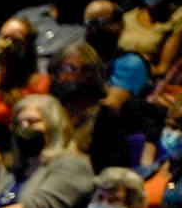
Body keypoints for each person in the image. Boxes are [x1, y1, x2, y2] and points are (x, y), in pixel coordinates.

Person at [0, 94, 96, 208]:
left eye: (32, 122)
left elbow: (39, 207)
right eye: (18, 123)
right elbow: (0, 201)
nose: (24, 128)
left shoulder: (73, 165)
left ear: (53, 125)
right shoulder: (15, 171)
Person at [49, 42, 132, 172]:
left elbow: (112, 168)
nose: (66, 77)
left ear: (92, 75)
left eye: (72, 69)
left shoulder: (106, 118)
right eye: (65, 69)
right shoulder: (49, 110)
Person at [82, 0, 153, 112]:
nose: (93, 29)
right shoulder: (83, 59)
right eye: (88, 24)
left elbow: (111, 108)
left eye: (99, 23)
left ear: (119, 26)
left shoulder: (131, 63)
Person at [0, 17, 51, 125]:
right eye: (4, 38)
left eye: (15, 40)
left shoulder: (42, 86)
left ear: (28, 48)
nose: (7, 44)